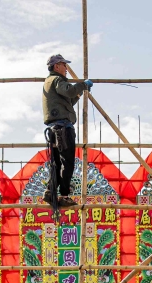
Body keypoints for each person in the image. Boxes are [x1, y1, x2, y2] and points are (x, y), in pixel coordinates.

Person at [43, 54, 93, 208]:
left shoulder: (51, 82)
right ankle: (64, 195)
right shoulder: (57, 80)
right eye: (64, 65)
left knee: (57, 163)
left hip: (55, 128)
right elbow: (69, 91)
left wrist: (80, 91)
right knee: (67, 163)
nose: (66, 69)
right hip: (63, 128)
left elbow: (70, 99)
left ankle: (51, 191)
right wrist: (82, 85)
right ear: (57, 66)